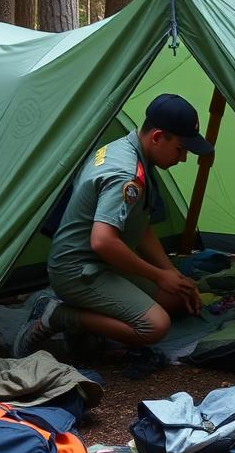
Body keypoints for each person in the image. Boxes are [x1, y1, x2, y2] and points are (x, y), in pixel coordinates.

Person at [13, 94, 213, 357]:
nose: (183, 158)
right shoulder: (125, 175)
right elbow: (103, 242)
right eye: (180, 149)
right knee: (154, 327)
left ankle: (87, 326)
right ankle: (57, 315)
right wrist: (158, 275)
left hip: (104, 264)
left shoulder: (130, 150)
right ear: (157, 137)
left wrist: (172, 274)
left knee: (175, 296)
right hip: (78, 271)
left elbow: (141, 227)